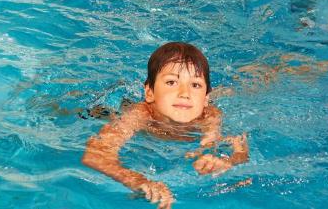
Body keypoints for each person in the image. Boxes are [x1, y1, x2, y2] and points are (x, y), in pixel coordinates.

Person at [82, 42, 248, 208]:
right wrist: (138, 180)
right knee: (93, 113)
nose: (185, 93)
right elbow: (96, 155)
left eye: (195, 85)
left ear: (205, 99)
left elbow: (239, 150)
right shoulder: (139, 115)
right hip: (119, 109)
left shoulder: (210, 117)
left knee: (247, 86)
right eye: (171, 82)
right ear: (149, 92)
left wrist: (227, 162)